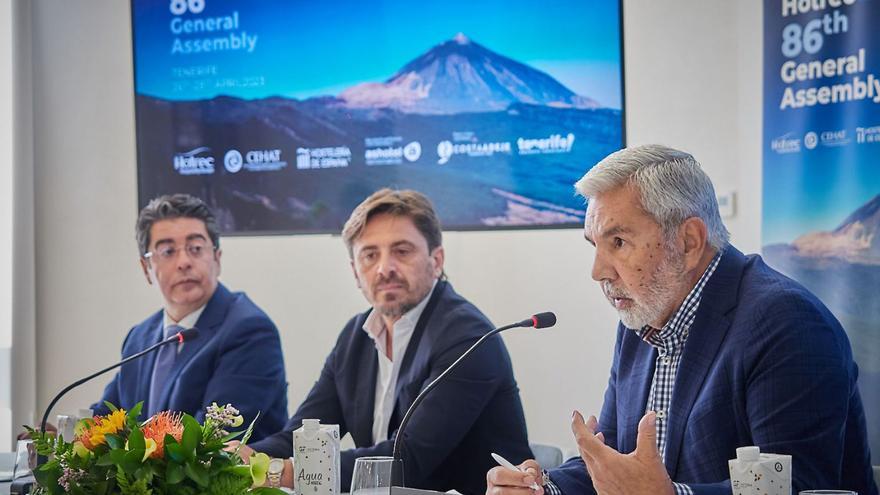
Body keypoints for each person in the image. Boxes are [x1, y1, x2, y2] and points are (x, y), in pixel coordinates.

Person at [486, 145, 877, 495]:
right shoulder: (641, 319)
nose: (598, 271)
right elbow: (616, 464)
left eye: (618, 243)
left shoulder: (786, 323)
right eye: (596, 246)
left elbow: (795, 487)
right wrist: (542, 488)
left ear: (689, 241)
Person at [241, 189, 532, 494]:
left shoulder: (468, 336)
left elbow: (407, 460)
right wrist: (235, 459)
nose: (384, 268)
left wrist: (278, 473)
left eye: (402, 251)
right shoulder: (356, 336)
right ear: (355, 272)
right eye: (370, 255)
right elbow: (300, 434)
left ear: (436, 260)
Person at [90, 193, 288, 441]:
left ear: (217, 258)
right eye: (168, 251)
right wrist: (72, 439)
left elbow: (209, 437)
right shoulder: (139, 338)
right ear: (146, 269)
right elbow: (107, 419)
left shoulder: (249, 331)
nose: (184, 262)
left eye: (195, 249)